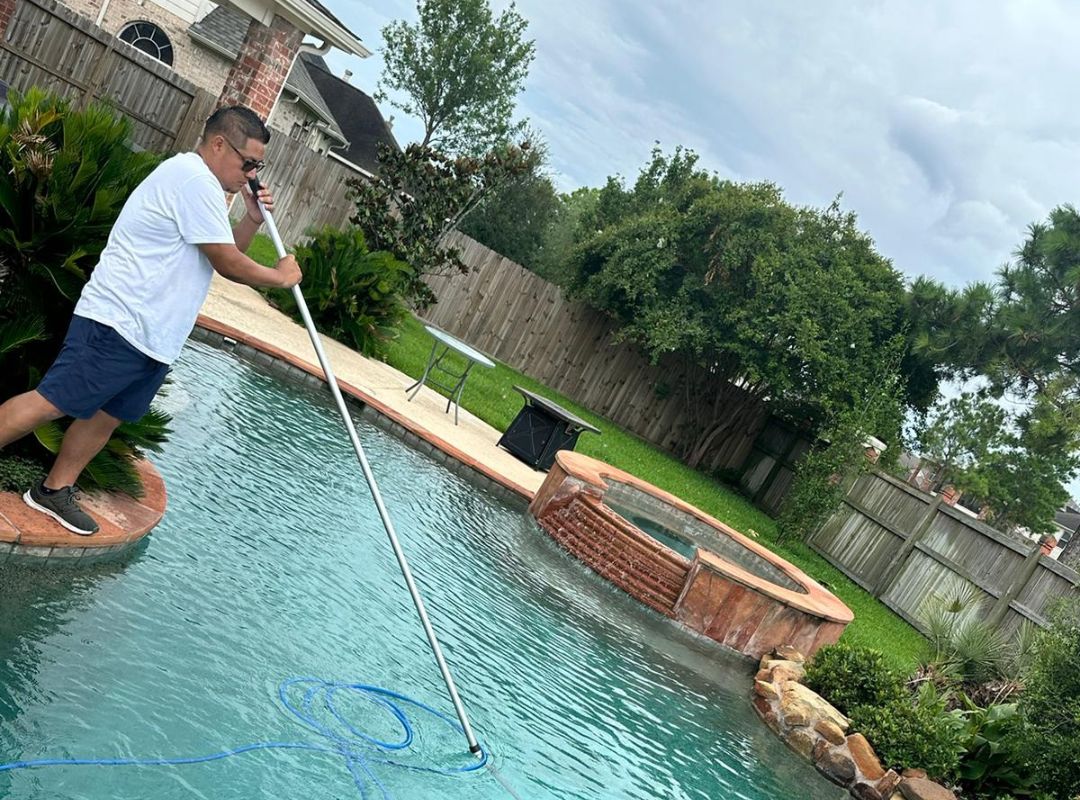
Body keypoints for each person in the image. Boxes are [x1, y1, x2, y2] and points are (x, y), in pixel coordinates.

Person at [0, 105, 302, 535]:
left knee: (106, 416)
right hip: (118, 323)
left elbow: (221, 250)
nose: (252, 175)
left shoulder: (207, 190)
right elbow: (228, 262)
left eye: (259, 167)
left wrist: (252, 219)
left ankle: (53, 490)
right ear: (219, 144)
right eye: (248, 163)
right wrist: (279, 276)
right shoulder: (193, 179)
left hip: (151, 336)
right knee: (51, 401)